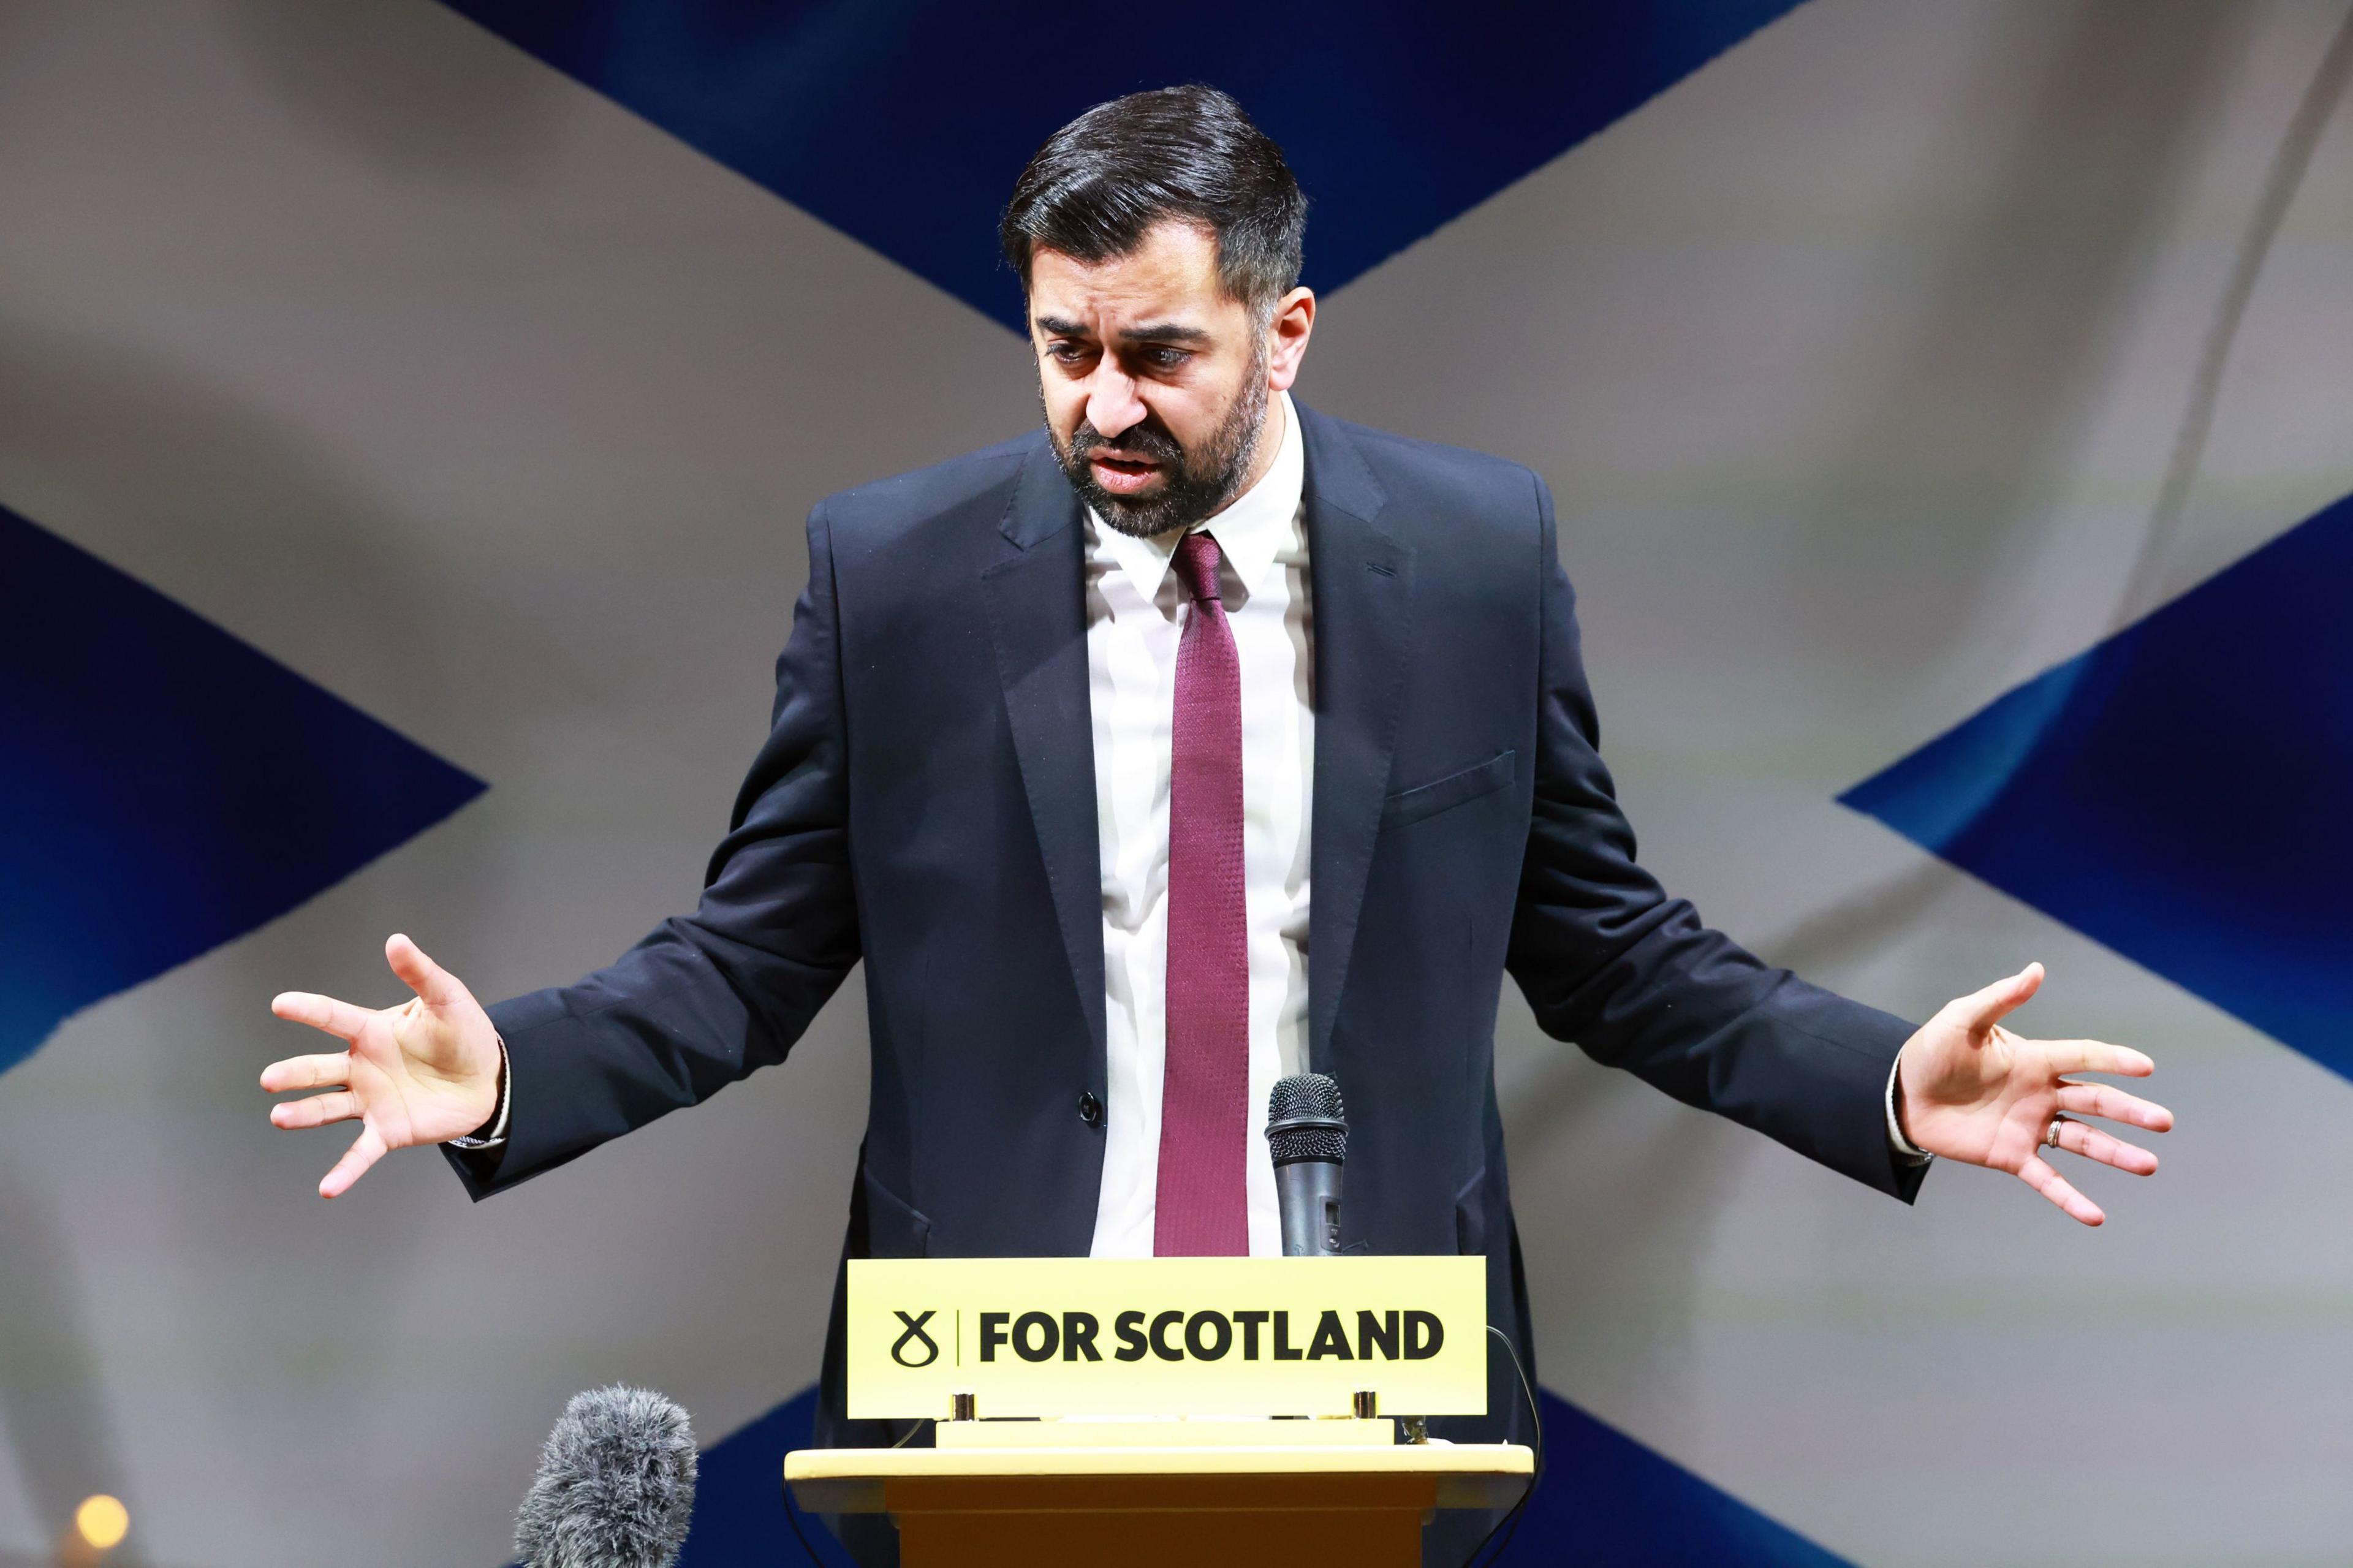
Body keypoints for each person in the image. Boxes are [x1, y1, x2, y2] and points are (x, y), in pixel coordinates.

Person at [259, 85, 2172, 1562]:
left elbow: (1603, 945)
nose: (1102, 402)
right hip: (990, 1388)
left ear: (1288, 326)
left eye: (1156, 351)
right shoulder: (893, 578)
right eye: (1060, 346)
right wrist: (509, 1068)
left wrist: (1882, 1087)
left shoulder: (1474, 560)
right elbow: (751, 955)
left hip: (1366, 1387)